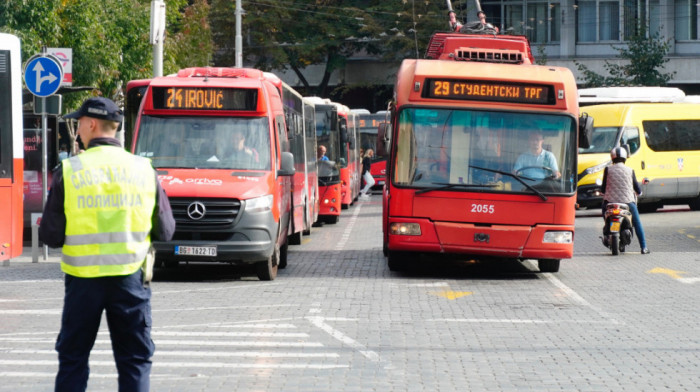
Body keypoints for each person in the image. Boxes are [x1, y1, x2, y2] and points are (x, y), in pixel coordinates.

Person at [39, 97, 176, 392]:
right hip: (130, 280)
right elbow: (165, 231)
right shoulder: (143, 169)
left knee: (73, 358)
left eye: (78, 124)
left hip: (82, 283)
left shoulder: (69, 171)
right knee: (134, 361)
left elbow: (50, 235)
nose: (77, 130)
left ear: (90, 125)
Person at [601, 147, 649, 254]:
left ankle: (607, 230)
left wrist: (603, 192)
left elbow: (603, 189)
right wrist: (639, 192)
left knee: (605, 215)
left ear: (612, 158)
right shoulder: (630, 170)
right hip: (627, 201)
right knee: (637, 223)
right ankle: (644, 247)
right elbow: (637, 188)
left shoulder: (607, 170)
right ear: (625, 158)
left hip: (609, 202)